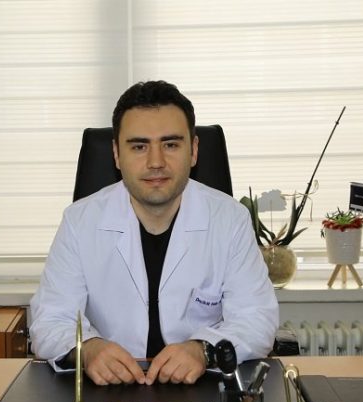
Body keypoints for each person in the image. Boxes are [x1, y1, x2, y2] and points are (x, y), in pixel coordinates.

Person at [29, 80, 278, 386]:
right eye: (139, 146)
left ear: (194, 151)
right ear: (116, 154)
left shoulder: (230, 220)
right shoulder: (80, 222)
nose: (156, 162)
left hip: (203, 387)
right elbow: (49, 321)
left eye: (170, 145)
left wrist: (204, 350)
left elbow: (257, 319)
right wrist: (87, 349)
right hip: (108, 389)